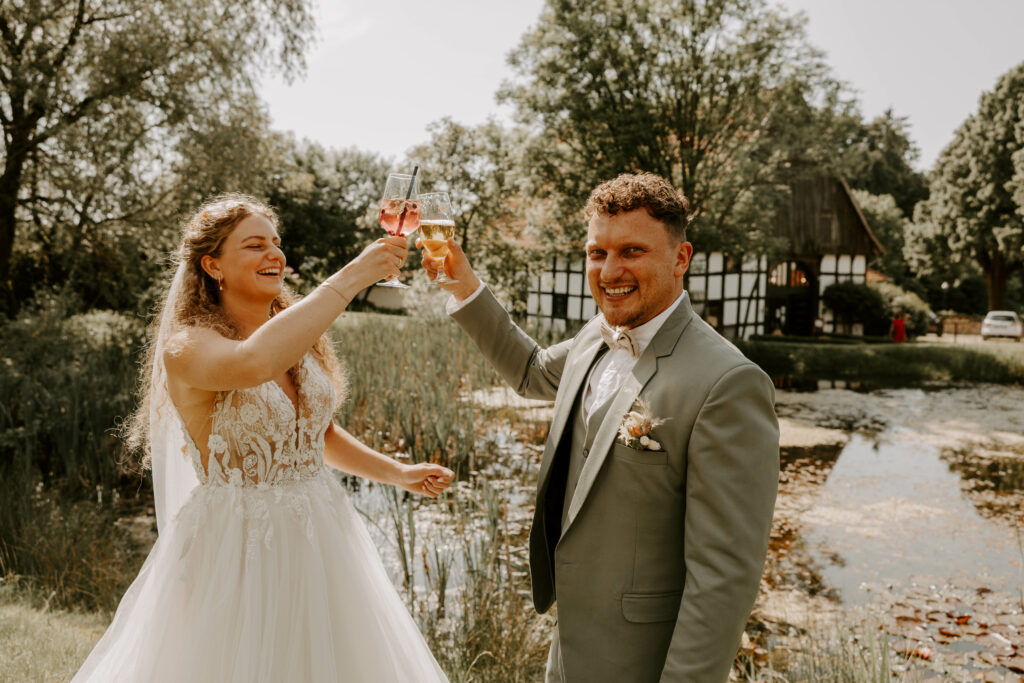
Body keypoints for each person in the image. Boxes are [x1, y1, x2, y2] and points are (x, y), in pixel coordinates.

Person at [74, 194, 453, 682]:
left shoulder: (296, 339)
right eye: (254, 245)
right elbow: (252, 363)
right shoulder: (187, 346)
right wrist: (352, 277)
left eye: (276, 243)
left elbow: (316, 433)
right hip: (239, 543)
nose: (274, 254)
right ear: (213, 265)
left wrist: (398, 472)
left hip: (321, 532)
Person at [421, 172, 779, 682]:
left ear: (681, 258)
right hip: (569, 647)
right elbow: (531, 371)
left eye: (631, 251)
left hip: (642, 659)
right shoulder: (597, 334)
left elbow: (724, 579)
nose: (610, 271)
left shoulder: (729, 383)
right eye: (597, 253)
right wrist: (462, 282)